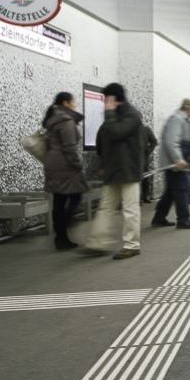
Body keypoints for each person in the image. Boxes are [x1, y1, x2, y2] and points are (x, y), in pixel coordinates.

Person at [83, 83, 146, 259]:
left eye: (107, 98)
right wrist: (103, 163)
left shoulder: (132, 115)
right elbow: (103, 140)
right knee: (106, 208)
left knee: (130, 208)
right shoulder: (113, 117)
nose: (104, 102)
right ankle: (98, 242)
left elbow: (118, 132)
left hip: (129, 170)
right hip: (113, 170)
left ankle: (132, 245)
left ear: (114, 98)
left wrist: (109, 113)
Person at [42, 92, 89, 250]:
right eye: (73, 101)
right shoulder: (66, 120)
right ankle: (63, 230)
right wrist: (78, 164)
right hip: (65, 164)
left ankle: (61, 237)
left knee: (59, 201)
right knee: (76, 196)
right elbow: (69, 147)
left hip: (53, 163)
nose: (75, 104)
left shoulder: (53, 118)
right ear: (66, 103)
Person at [152, 99, 190, 229]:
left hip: (178, 162)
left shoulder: (183, 121)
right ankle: (184, 219)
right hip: (175, 164)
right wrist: (178, 159)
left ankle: (159, 218)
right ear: (187, 108)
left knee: (170, 192)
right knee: (182, 189)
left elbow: (184, 143)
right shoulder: (176, 120)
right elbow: (172, 141)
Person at [140, 125, 158, 203]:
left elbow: (154, 141)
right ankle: (139, 198)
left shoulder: (145, 129)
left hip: (143, 158)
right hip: (133, 159)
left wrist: (148, 151)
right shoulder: (128, 128)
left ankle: (145, 196)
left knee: (145, 179)